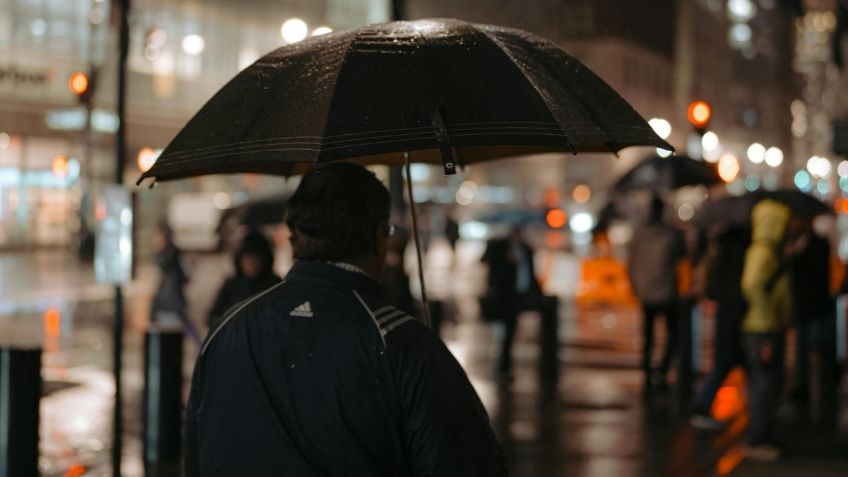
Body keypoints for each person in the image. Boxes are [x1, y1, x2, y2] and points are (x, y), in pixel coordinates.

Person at [186, 163, 506, 476]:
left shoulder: (226, 329)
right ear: (380, 236)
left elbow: (196, 454)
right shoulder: (402, 344)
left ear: (294, 235)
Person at [740, 199, 793, 462]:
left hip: (768, 326)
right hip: (763, 329)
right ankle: (757, 438)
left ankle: (763, 434)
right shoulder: (764, 251)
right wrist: (768, 314)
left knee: (770, 384)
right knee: (764, 384)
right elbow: (752, 284)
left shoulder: (770, 250)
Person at [690, 226, 750, 429]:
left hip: (725, 314)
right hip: (736, 316)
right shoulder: (739, 254)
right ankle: (702, 406)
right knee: (732, 363)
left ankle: (757, 412)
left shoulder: (718, 254)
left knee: (726, 364)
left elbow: (713, 287)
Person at [627, 196, 685, 391]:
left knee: (648, 334)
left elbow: (631, 262)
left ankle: (647, 370)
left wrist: (635, 285)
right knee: (673, 334)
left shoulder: (639, 234)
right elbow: (682, 254)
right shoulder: (670, 234)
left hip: (646, 291)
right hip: (667, 290)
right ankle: (662, 368)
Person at [481, 225, 544, 375]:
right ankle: (501, 364)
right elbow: (486, 261)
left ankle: (505, 363)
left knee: (512, 329)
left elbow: (530, 272)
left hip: (518, 295)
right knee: (503, 330)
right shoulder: (499, 246)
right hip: (503, 296)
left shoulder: (525, 249)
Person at [789, 218, 835, 413]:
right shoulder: (797, 246)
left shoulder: (818, 245)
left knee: (820, 348)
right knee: (802, 351)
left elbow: (814, 274)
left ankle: (826, 387)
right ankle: (804, 387)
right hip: (803, 307)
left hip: (816, 305)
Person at [207, 229, 283, 331]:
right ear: (240, 259)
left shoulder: (275, 284)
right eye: (247, 258)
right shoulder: (231, 284)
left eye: (256, 258)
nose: (251, 263)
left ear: (265, 259)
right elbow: (213, 317)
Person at [151, 221, 201, 346]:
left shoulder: (170, 254)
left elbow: (184, 276)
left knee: (181, 327)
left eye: (158, 235)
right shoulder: (170, 254)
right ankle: (201, 347)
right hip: (168, 299)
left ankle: (202, 348)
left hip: (172, 299)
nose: (156, 239)